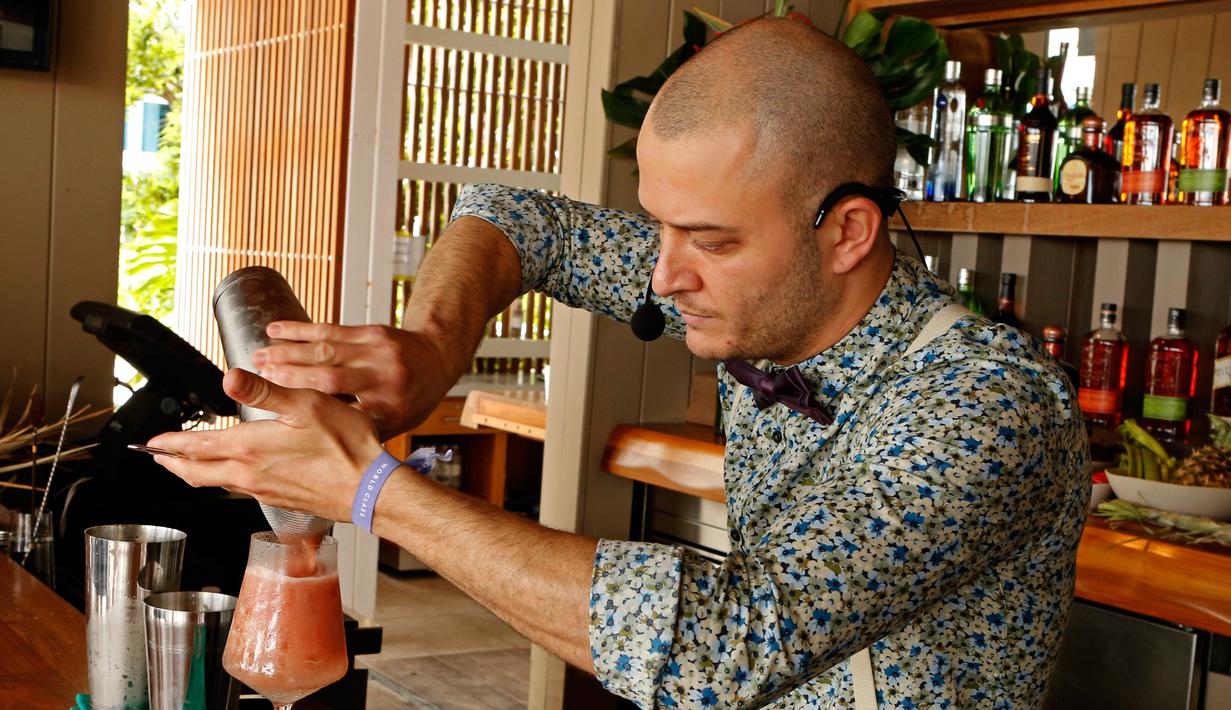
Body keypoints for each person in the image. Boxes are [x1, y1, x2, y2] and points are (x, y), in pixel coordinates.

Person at [150, 18, 1089, 709]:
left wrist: (372, 490)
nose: (665, 274)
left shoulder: (986, 401)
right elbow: (515, 216)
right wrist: (435, 343)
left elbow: (724, 647)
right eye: (659, 227)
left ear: (846, 232)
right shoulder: (743, 286)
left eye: (710, 241)